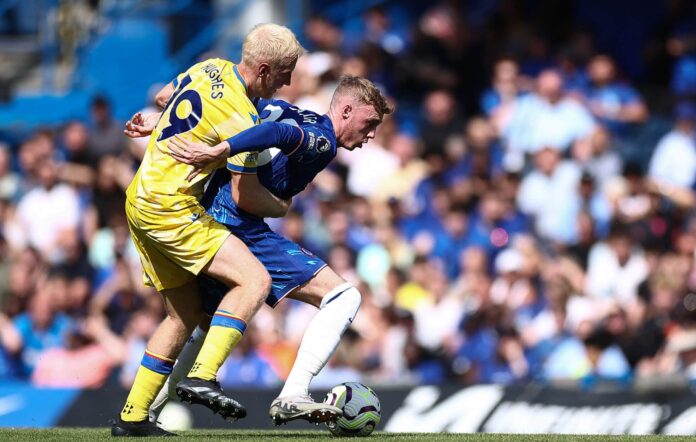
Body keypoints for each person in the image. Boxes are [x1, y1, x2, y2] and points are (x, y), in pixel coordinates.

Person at [131, 75, 392, 425]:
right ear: (346, 110)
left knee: (202, 324)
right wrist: (222, 152)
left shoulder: (286, 109)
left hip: (208, 215)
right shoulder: (322, 139)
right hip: (238, 222)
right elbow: (276, 135)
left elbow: (229, 110)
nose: (372, 133)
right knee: (343, 297)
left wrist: (161, 119)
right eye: (370, 122)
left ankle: (141, 415)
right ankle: (293, 393)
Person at [113, 23, 303, 437]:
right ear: (266, 69)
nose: (288, 81)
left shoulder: (209, 67)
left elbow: (165, 98)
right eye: (286, 72)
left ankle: (132, 417)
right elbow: (245, 196)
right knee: (254, 280)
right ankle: (202, 375)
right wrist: (283, 206)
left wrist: (165, 128)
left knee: (182, 315)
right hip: (170, 208)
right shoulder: (244, 119)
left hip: (139, 198)